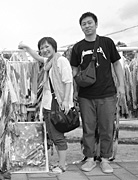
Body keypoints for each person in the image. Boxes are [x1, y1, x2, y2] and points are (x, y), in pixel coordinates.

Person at [70, 12, 125, 173]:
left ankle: (106, 159)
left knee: (107, 127)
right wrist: (73, 90)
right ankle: (89, 158)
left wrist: (121, 85)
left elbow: (116, 64)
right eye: (84, 24)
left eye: (89, 23)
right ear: (81, 27)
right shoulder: (77, 47)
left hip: (107, 93)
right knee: (88, 128)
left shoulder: (107, 43)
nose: (87, 26)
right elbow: (74, 70)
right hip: (85, 95)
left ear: (96, 24)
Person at [18, 37, 74, 174]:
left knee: (57, 136)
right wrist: (25, 46)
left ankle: (62, 166)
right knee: (54, 135)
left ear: (54, 46)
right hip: (48, 106)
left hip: (58, 104)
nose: (44, 50)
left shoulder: (61, 61)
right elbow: (36, 56)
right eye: (42, 47)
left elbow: (68, 81)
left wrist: (66, 101)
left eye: (47, 46)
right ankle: (60, 163)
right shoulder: (49, 62)